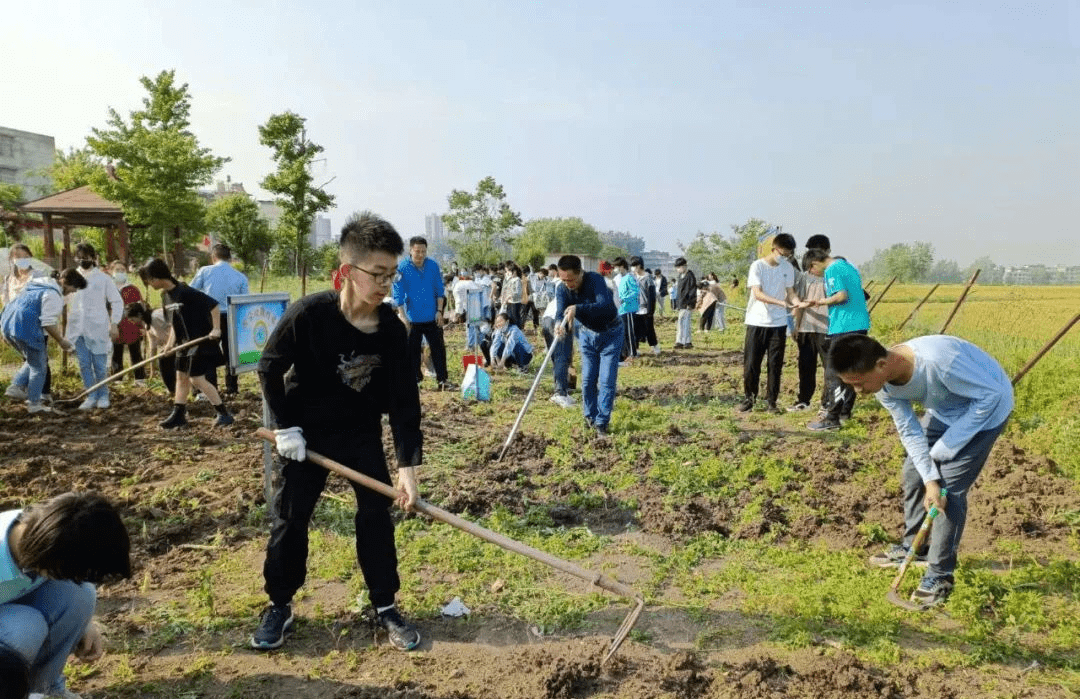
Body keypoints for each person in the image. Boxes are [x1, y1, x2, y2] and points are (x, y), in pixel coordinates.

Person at [253, 211, 422, 653]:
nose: (386, 284)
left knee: (374, 516)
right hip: (306, 437)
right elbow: (270, 367)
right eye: (378, 274)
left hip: (360, 434)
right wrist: (286, 427)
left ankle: (384, 604)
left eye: (392, 275)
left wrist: (407, 468)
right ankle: (280, 604)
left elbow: (405, 404)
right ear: (347, 271)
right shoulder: (308, 315)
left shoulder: (392, 331)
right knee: (291, 516)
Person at [831, 334, 1013, 606]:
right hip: (944, 411)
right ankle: (915, 548)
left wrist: (947, 447)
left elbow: (992, 396)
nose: (859, 392)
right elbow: (909, 430)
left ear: (881, 364)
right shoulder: (882, 386)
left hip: (986, 411)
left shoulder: (939, 362)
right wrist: (929, 477)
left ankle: (940, 573)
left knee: (948, 491)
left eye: (859, 383)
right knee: (915, 472)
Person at [0, 492, 132, 699]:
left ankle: (45, 689)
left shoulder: (41, 534)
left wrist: (83, 623)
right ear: (49, 560)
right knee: (26, 626)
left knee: (78, 594)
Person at [138, 258, 234, 429]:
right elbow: (175, 324)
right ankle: (179, 414)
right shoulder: (165, 296)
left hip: (198, 341)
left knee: (196, 379)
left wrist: (216, 329)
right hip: (183, 343)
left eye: (149, 280)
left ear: (157, 277)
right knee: (180, 377)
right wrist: (169, 345)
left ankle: (223, 413)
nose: (149, 284)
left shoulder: (186, 291)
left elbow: (213, 306)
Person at [799, 248, 871, 431]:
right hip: (859, 324)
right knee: (850, 369)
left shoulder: (832, 270)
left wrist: (819, 302)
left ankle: (831, 418)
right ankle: (844, 412)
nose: (813, 274)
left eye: (810, 270)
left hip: (845, 326)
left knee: (834, 372)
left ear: (815, 263)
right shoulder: (848, 266)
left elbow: (841, 296)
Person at [555, 255, 621, 435]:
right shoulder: (562, 288)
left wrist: (578, 308)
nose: (568, 284)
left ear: (580, 273)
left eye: (571, 280)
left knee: (607, 379)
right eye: (564, 280)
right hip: (586, 335)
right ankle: (589, 417)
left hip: (610, 334)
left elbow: (604, 305)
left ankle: (602, 423)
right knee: (588, 380)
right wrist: (558, 324)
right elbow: (561, 311)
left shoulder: (595, 280)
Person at [1, 269, 84, 413]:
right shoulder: (53, 295)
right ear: (65, 282)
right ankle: (33, 403)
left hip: (8, 325)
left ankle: (16, 386)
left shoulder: (36, 285)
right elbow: (47, 323)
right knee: (39, 367)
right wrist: (61, 341)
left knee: (34, 360)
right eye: (73, 288)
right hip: (26, 328)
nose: (72, 292)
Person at [737, 233, 798, 414]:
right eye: (784, 253)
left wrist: (797, 303)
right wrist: (782, 303)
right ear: (774, 249)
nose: (786, 257)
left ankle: (772, 401)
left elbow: (791, 292)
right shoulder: (757, 266)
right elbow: (758, 294)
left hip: (778, 324)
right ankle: (750, 398)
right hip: (757, 321)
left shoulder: (787, 268)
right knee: (751, 363)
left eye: (789, 254)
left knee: (775, 364)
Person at [66, 244, 123, 411]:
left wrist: (114, 324)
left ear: (93, 257)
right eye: (80, 257)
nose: (84, 260)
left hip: (98, 326)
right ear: (75, 258)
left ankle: (103, 394)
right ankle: (91, 395)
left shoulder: (103, 278)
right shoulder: (72, 276)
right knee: (84, 364)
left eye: (87, 256)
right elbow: (62, 297)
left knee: (99, 364)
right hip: (78, 328)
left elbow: (117, 301)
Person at [391, 236, 452, 391]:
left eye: (423, 251)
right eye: (417, 251)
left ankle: (442, 379)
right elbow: (398, 295)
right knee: (412, 352)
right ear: (410, 250)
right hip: (412, 319)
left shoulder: (432, 265)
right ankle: (415, 381)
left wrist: (439, 311)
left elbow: (439, 289)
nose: (420, 255)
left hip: (432, 316)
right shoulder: (402, 268)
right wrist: (403, 317)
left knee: (438, 349)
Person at [190, 244, 250, 395]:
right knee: (231, 353)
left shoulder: (205, 271)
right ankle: (232, 388)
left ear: (213, 257)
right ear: (230, 259)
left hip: (210, 318)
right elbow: (245, 302)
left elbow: (192, 292)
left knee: (208, 353)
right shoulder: (241, 277)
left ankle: (212, 388)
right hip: (232, 317)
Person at [788, 250, 829, 412]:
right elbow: (798, 305)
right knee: (805, 366)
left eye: (816, 265)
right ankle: (803, 400)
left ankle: (827, 403)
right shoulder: (804, 278)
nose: (814, 269)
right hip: (806, 329)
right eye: (811, 266)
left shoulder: (831, 279)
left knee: (829, 368)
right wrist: (796, 327)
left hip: (827, 329)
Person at [126, 302, 177, 395]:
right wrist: (152, 370)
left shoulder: (156, 316)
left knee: (180, 366)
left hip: (180, 341)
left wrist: (170, 344)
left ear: (139, 315)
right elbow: (153, 348)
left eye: (132, 319)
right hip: (170, 348)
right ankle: (172, 390)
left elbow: (174, 325)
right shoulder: (148, 326)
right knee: (163, 361)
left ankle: (195, 391)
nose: (132, 322)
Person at [108, 261, 146, 384]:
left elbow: (140, 308)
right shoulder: (108, 288)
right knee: (116, 353)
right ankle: (117, 379)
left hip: (132, 325)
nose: (120, 272)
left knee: (135, 353)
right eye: (117, 270)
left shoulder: (132, 289)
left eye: (122, 270)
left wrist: (142, 326)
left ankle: (139, 378)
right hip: (115, 325)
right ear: (111, 271)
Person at [542, 267, 575, 408]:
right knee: (562, 356)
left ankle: (562, 390)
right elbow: (569, 318)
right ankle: (560, 393)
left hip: (547, 320)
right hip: (557, 322)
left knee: (558, 358)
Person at [612, 258, 639, 362]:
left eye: (616, 267)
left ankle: (632, 353)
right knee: (621, 333)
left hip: (628, 308)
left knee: (629, 332)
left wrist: (624, 299)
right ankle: (624, 354)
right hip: (620, 309)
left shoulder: (629, 278)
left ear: (622, 266)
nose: (615, 269)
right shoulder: (617, 278)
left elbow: (635, 292)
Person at [630, 258, 659, 354]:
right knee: (635, 330)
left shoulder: (648, 278)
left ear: (639, 266)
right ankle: (636, 350)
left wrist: (651, 310)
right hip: (635, 308)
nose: (632, 268)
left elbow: (652, 296)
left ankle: (655, 347)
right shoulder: (633, 277)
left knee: (649, 329)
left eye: (634, 266)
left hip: (645, 309)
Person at [673, 258, 697, 349]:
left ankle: (687, 342)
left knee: (686, 323)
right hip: (681, 303)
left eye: (678, 267)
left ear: (683, 266)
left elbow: (692, 291)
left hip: (687, 303)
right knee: (680, 322)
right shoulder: (680, 276)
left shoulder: (690, 276)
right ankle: (680, 341)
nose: (677, 269)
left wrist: (691, 303)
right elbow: (679, 292)